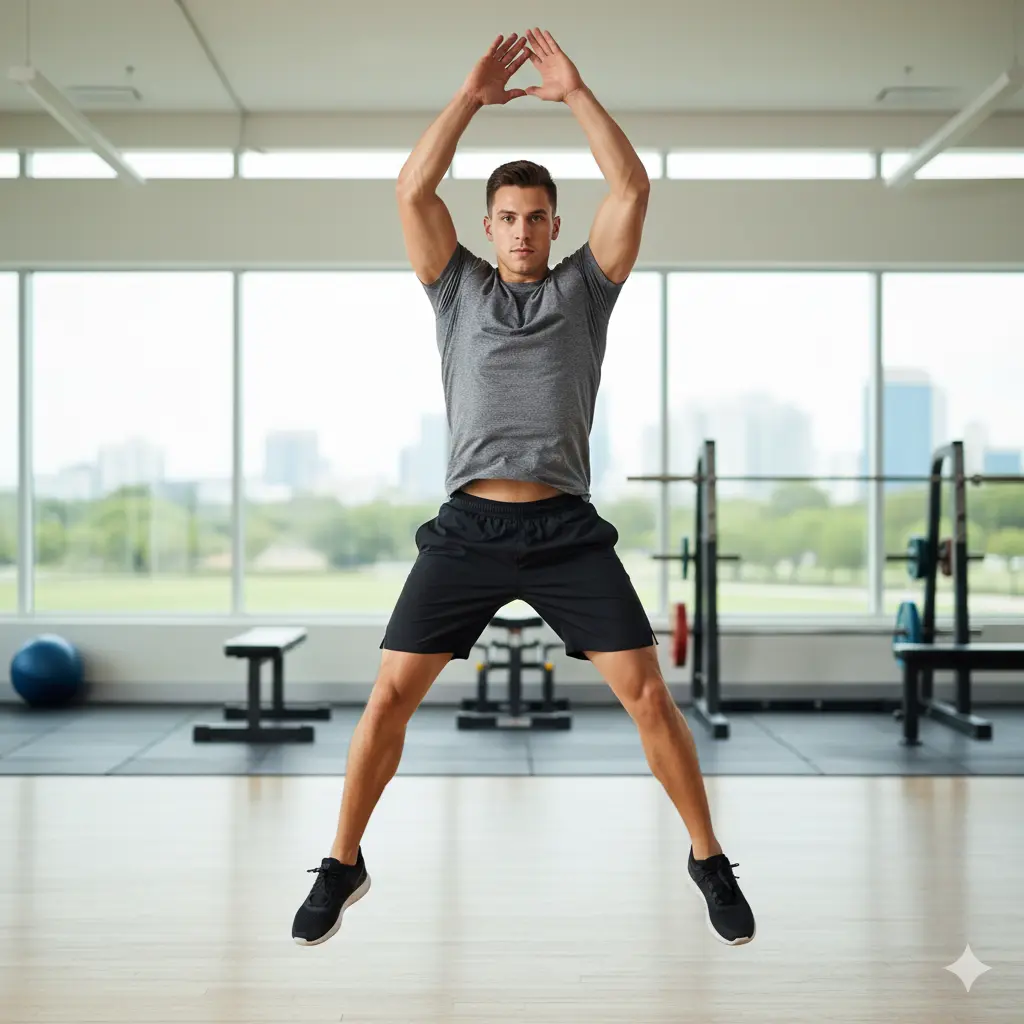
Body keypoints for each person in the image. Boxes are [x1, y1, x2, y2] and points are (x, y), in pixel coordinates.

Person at [292, 28, 755, 949]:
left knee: (649, 699)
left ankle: (707, 858)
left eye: (536, 216)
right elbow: (410, 191)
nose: (520, 230)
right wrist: (469, 98)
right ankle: (344, 862)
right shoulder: (454, 289)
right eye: (505, 216)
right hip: (467, 529)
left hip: (565, 532)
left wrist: (576, 94)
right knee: (387, 699)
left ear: (552, 223)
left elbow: (632, 191)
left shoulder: (588, 290)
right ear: (490, 223)